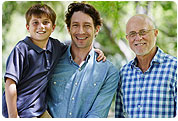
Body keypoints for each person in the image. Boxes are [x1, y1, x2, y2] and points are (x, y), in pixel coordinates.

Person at [2, 3, 105, 118]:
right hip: (18, 110)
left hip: (38, 110)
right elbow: (10, 83)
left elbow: (78, 47)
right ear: (28, 27)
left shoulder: (55, 46)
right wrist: (13, 116)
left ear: (53, 27)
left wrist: (94, 51)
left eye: (46, 22)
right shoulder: (22, 49)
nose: (41, 26)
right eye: (35, 23)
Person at [47, 2, 119, 118]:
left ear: (97, 29)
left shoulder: (109, 72)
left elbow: (97, 114)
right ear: (68, 28)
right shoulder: (52, 59)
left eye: (87, 25)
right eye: (75, 25)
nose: (81, 31)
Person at [115, 14, 177, 118]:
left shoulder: (174, 68)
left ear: (155, 33)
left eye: (143, 32)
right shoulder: (123, 73)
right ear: (127, 38)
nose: (138, 38)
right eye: (132, 34)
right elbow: (120, 116)